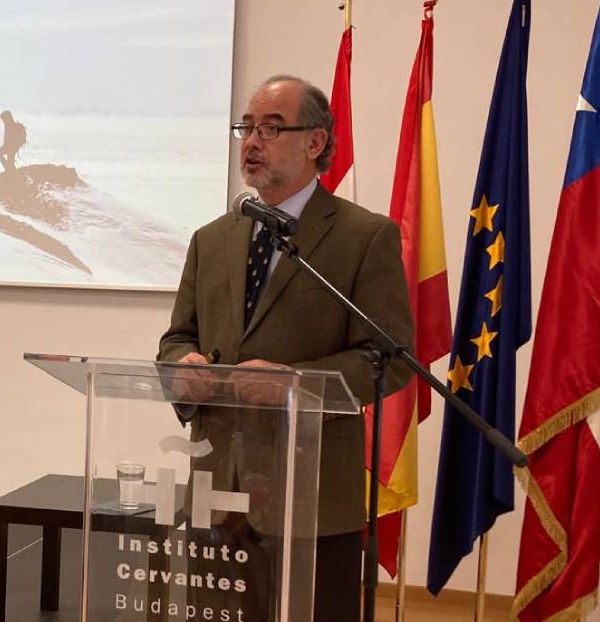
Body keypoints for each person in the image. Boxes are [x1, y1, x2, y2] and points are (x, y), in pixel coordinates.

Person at [158, 75, 414, 621]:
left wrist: (294, 383)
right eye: (246, 128)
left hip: (312, 496)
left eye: (271, 128)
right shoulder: (212, 238)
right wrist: (181, 369)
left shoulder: (364, 236)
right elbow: (178, 337)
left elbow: (388, 361)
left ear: (315, 142)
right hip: (218, 487)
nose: (251, 141)